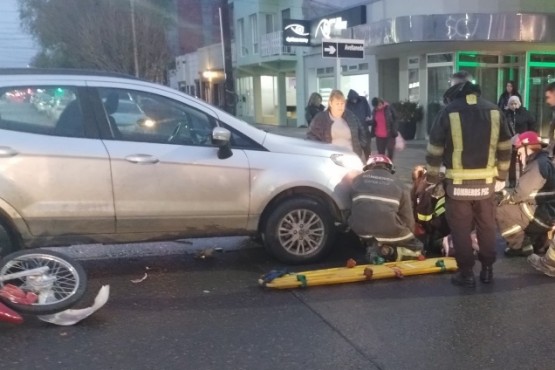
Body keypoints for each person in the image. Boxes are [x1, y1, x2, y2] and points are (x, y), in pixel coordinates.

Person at [426, 71, 512, 287]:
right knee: (487, 227)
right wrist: (502, 176)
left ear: (455, 90)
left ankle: (466, 274)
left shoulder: (448, 112)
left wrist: (432, 178)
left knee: (461, 230)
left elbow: (435, 149)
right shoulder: (494, 110)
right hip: (486, 186)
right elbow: (505, 147)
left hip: (457, 188)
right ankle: (487, 270)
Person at [349, 155, 423, 263]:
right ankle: (387, 251)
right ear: (389, 169)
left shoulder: (357, 180)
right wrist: (409, 234)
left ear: (368, 167)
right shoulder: (400, 185)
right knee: (418, 247)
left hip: (361, 232)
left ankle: (372, 245)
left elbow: (353, 206)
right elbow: (408, 218)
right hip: (390, 233)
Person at [496, 131, 555, 258]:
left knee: (502, 209)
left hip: (543, 215)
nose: (519, 157)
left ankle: (518, 245)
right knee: (520, 209)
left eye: (520, 153)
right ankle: (537, 243)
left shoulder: (536, 165)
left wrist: (503, 196)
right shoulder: (544, 162)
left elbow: (520, 194)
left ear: (528, 148)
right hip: (547, 212)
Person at [307, 89, 366, 161]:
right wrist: (320, 151)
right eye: (337, 104)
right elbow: (311, 136)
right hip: (330, 159)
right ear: (331, 103)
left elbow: (362, 131)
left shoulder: (351, 116)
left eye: (342, 103)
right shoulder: (320, 118)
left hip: (351, 158)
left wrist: (361, 146)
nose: (340, 106)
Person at [504, 95, 537, 187]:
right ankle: (512, 181)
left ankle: (523, 181)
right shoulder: (506, 114)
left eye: (515, 103)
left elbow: (532, 124)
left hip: (523, 141)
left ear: (519, 103)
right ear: (508, 104)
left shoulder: (525, 113)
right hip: (510, 141)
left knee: (523, 161)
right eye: (511, 104)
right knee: (511, 162)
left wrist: (530, 137)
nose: (513, 105)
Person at [346, 89, 372, 158]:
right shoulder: (347, 103)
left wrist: (368, 116)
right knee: (356, 149)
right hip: (354, 130)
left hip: (364, 128)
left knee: (367, 148)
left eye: (355, 99)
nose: (354, 100)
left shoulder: (363, 100)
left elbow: (368, 109)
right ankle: (358, 163)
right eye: (352, 99)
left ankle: (369, 163)